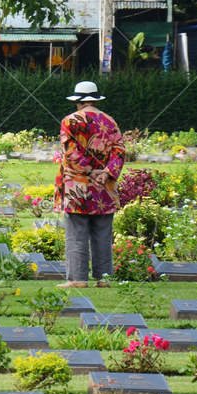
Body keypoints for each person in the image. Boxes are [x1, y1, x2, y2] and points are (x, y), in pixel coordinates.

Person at [54, 80, 125, 288]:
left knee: (77, 233)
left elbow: (71, 153)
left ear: (78, 102)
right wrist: (106, 173)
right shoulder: (110, 121)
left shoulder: (70, 121)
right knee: (103, 233)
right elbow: (119, 151)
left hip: (78, 185)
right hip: (105, 187)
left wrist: (90, 171)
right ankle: (104, 278)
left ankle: (78, 279)